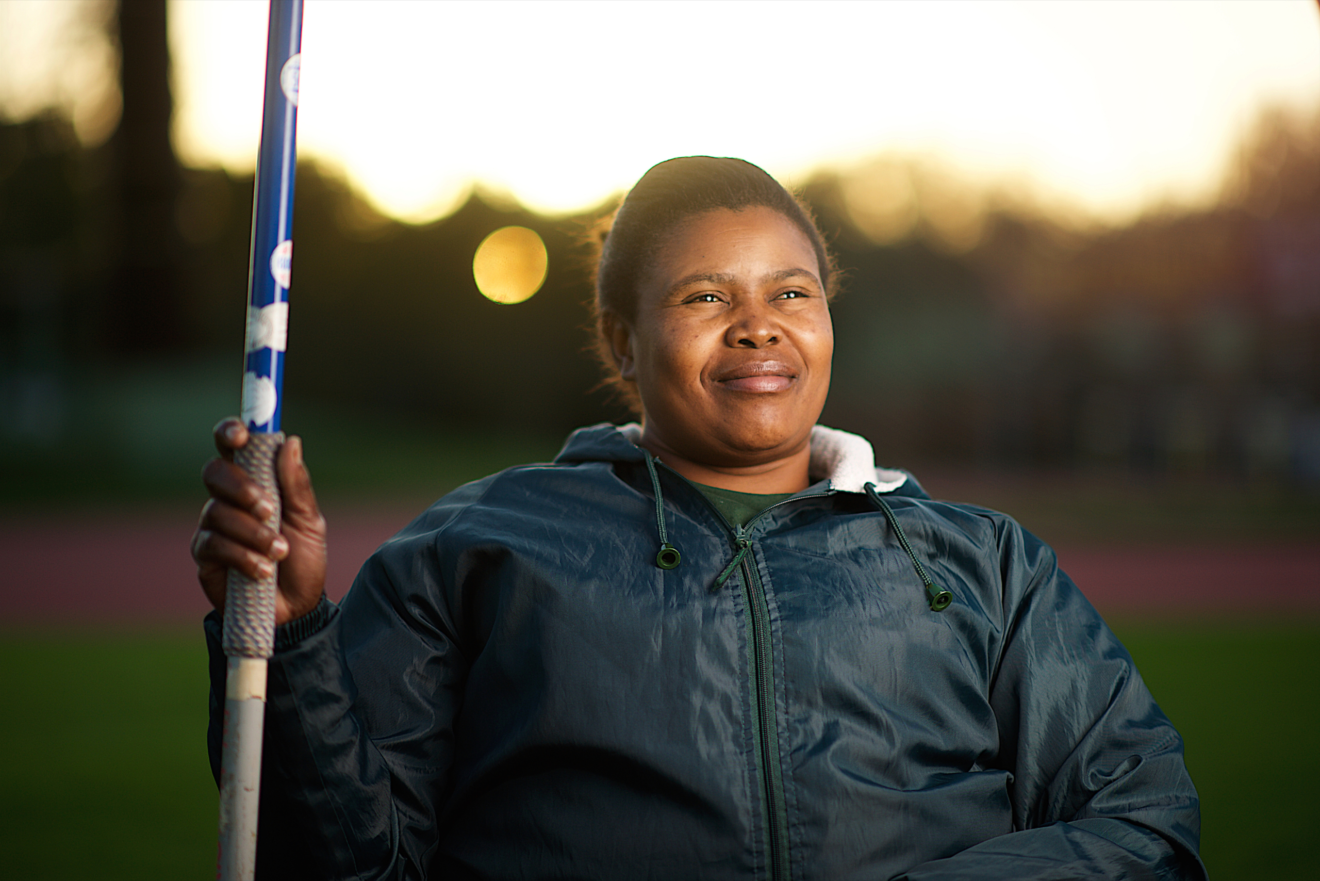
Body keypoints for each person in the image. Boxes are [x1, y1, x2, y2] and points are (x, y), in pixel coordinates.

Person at [192, 156, 1206, 880]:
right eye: (707, 294)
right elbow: (349, 863)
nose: (758, 322)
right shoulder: (477, 547)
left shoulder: (988, 561)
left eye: (791, 291)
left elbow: (1145, 824)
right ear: (622, 342)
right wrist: (289, 640)